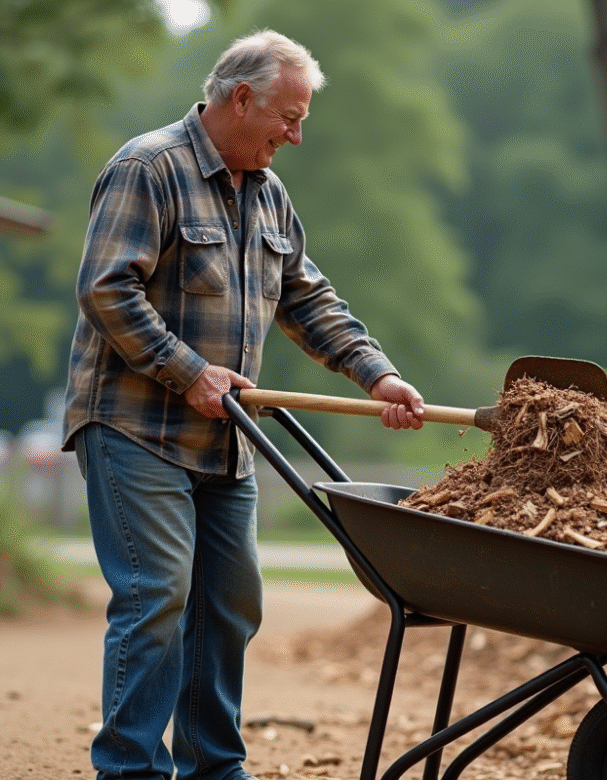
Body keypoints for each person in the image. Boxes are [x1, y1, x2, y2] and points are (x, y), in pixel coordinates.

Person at [61, 29, 425, 780]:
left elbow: (306, 297)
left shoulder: (267, 192)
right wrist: (188, 371)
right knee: (158, 594)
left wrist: (377, 374)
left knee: (230, 603)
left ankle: (213, 768)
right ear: (240, 98)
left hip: (226, 442)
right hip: (135, 427)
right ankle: (129, 770)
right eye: (287, 119)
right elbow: (106, 288)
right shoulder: (148, 167)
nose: (294, 136)